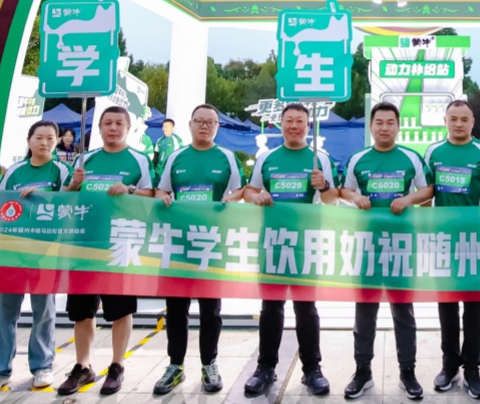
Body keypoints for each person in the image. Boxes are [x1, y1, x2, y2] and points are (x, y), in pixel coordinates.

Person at [57, 106, 154, 396]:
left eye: (119, 123)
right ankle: (83, 366)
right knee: (81, 311)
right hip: (84, 244)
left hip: (120, 245)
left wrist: (130, 190)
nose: (113, 128)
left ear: (128, 128)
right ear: (99, 128)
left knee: (120, 309)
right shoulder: (85, 159)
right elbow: (63, 198)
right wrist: (74, 185)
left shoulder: (140, 159)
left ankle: (116, 365)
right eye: (108, 123)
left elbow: (153, 194)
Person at [243, 103, 338, 397]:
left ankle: (312, 369)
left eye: (300, 121)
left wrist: (323, 186)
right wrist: (257, 197)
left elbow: (333, 199)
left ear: (308, 126)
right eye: (289, 121)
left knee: (306, 308)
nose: (294, 126)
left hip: (306, 244)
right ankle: (265, 368)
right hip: (272, 242)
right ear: (280, 125)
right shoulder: (266, 158)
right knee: (271, 307)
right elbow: (249, 192)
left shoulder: (320, 158)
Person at [339, 102, 430, 400]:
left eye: (390, 122)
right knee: (365, 310)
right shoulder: (358, 159)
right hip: (366, 245)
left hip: (402, 245)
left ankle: (408, 372)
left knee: (403, 310)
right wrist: (355, 197)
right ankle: (362, 371)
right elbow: (344, 189)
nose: (385, 127)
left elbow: (428, 189)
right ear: (371, 126)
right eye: (379, 122)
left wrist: (408, 199)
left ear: (398, 126)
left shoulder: (411, 158)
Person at [152, 103, 244, 395]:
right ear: (190, 124)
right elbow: (161, 189)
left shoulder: (227, 157)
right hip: (178, 244)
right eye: (199, 121)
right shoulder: (176, 157)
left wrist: (231, 200)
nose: (205, 126)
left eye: (210, 122)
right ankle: (175, 366)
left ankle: (209, 364)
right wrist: (163, 197)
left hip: (211, 244)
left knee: (210, 311)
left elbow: (240, 190)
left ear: (217, 127)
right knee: (176, 309)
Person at [0, 120, 71, 394]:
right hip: (13, 251)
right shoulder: (15, 171)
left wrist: (43, 198)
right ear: (29, 140)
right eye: (39, 137)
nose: (44, 143)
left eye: (50, 138)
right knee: (5, 312)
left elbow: (70, 203)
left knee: (44, 311)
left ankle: (42, 366)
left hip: (46, 252)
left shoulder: (61, 170)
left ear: (57, 142)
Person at [424, 100, 480, 399]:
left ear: (473, 122)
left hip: (476, 240)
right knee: (447, 303)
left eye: (464, 119)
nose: (458, 124)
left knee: (474, 303)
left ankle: (472, 366)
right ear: (445, 121)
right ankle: (449, 364)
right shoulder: (433, 152)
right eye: (453, 119)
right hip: (443, 241)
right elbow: (426, 192)